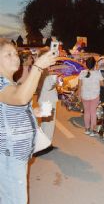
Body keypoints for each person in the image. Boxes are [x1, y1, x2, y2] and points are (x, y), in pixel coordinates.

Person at [0, 38, 56, 204]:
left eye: (15, 53)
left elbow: (9, 108)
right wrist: (38, 67)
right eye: (8, 54)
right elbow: (20, 97)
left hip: (17, 155)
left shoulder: (9, 82)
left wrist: (33, 112)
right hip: (10, 156)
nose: (15, 57)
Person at [78, 57, 104, 137]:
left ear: (86, 64)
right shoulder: (97, 73)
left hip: (84, 96)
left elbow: (79, 86)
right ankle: (93, 130)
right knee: (93, 113)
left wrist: (79, 95)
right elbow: (102, 84)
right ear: (94, 64)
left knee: (87, 112)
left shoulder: (82, 73)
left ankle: (87, 129)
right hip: (94, 96)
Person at [37, 50, 59, 143]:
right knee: (49, 123)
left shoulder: (39, 68)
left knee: (45, 122)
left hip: (44, 99)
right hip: (48, 100)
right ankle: (46, 144)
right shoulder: (45, 70)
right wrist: (56, 79)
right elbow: (48, 85)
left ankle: (43, 142)